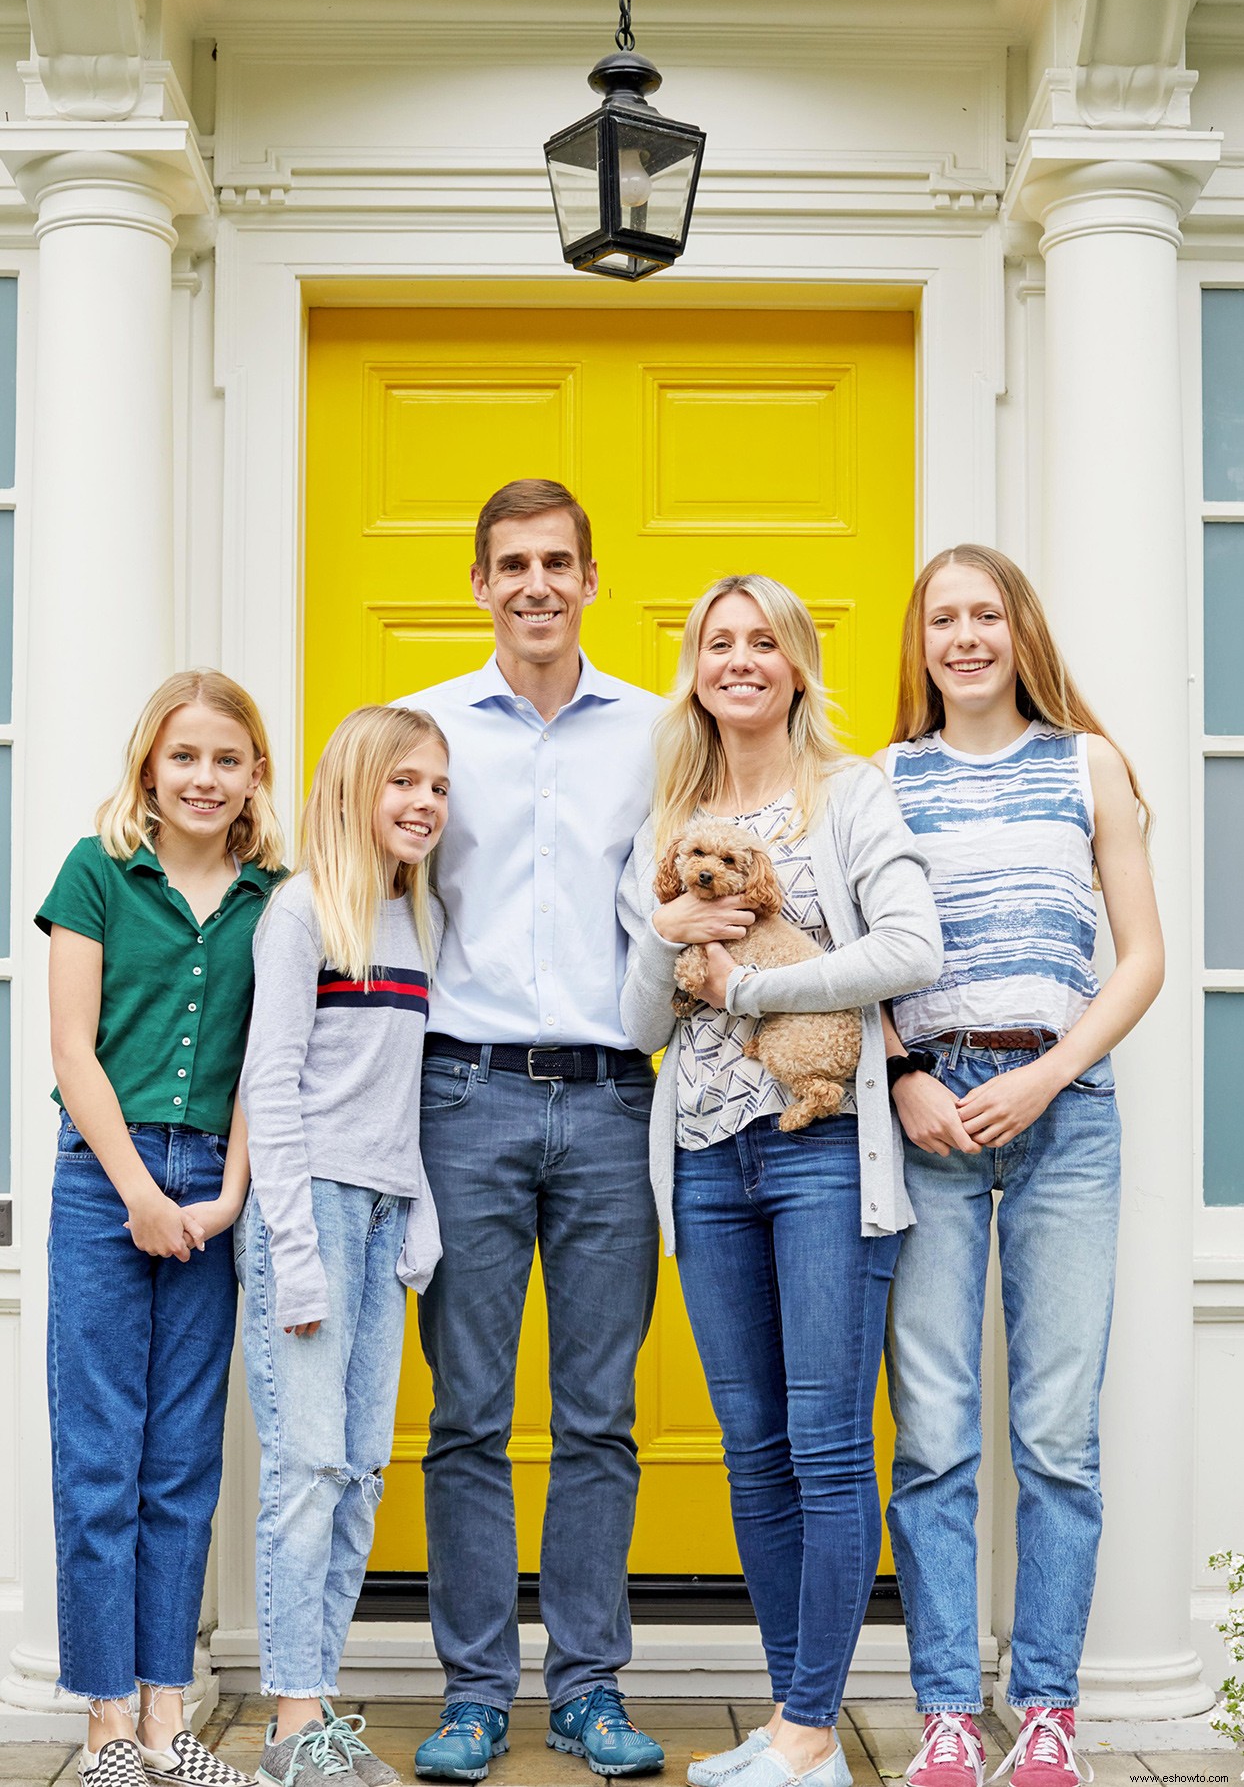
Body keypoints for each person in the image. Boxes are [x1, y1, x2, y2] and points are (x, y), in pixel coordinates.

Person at [618, 574, 943, 1787]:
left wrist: (747, 987)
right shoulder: (669, 817)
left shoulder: (851, 794)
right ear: (694, 667)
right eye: (717, 642)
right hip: (703, 1162)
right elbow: (635, 1017)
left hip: (821, 1154)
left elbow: (908, 949)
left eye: (764, 643)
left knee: (821, 1443)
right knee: (751, 1446)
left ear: (798, 665)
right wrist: (667, 941)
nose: (739, 660)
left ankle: (813, 1724)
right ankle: (786, 1717)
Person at [878, 546, 1163, 1787]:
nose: (965, 636)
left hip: (1064, 1113)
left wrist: (1047, 1074)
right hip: (931, 1123)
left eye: (984, 613)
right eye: (942, 618)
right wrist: (904, 1079)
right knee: (934, 1434)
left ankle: (1041, 1712)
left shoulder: (1084, 764)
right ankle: (948, 1709)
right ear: (921, 642)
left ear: (1018, 629)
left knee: (1053, 1434)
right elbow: (855, 955)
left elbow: (1141, 959)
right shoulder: (882, 780)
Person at [398, 478, 666, 1784]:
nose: (537, 585)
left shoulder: (658, 733)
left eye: (558, 561)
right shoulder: (426, 730)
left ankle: (590, 1689)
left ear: (593, 578)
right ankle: (471, 1693)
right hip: (466, 1094)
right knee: (466, 1411)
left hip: (617, 1098)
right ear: (480, 582)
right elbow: (373, 900)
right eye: (512, 564)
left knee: (603, 1414)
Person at [38, 669, 283, 1787]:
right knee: (100, 1456)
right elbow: (72, 1049)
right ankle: (102, 1727)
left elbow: (260, 1065)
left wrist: (227, 1196)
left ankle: (165, 1720)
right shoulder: (97, 873)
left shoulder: (270, 897)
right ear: (150, 764)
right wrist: (137, 1189)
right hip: (105, 1180)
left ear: (252, 777)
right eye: (184, 756)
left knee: (181, 1460)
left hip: (210, 1191)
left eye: (226, 759)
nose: (204, 777)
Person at [238, 705, 448, 1787]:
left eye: (436, 788)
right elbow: (268, 1086)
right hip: (309, 1213)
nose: (422, 804)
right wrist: (294, 1249)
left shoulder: (414, 918)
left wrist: (416, 1212)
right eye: (402, 782)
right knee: (307, 1469)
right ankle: (289, 1719)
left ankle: (312, 1714)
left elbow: (399, 1096)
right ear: (354, 787)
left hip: (378, 1213)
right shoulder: (300, 912)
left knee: (361, 1469)